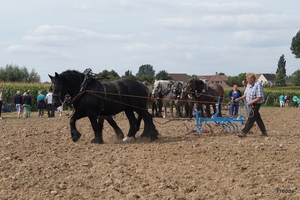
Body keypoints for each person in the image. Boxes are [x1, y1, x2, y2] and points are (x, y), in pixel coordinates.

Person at [235, 72, 267, 138]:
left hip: (256, 103)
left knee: (251, 117)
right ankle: (264, 132)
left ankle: (244, 132)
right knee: (257, 118)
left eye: (248, 78)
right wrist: (239, 99)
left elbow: (260, 97)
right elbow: (246, 94)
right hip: (250, 104)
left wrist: (251, 102)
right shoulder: (249, 85)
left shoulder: (258, 85)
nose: (247, 80)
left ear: (252, 78)